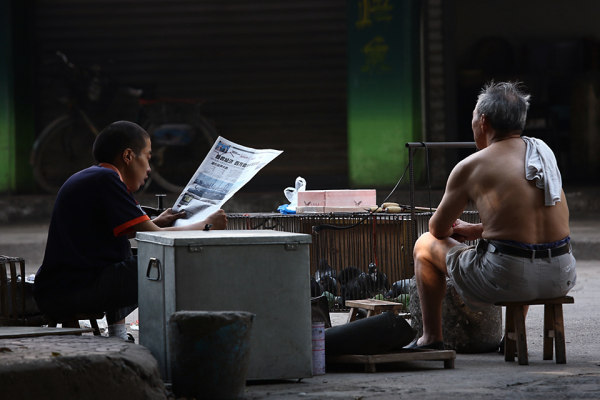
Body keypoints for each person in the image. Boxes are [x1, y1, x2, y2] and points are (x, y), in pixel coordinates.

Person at [407, 81, 576, 350]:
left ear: (483, 121)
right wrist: (476, 230)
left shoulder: (471, 166)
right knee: (521, 250)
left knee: (424, 244)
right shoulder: (543, 152)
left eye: (474, 117)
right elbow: (528, 223)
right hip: (562, 274)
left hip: (509, 278)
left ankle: (431, 338)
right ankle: (510, 341)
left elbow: (438, 229)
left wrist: (454, 230)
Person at [33, 121, 227, 341]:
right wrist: (206, 225)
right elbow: (156, 236)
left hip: (57, 290)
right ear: (128, 156)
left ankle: (118, 334)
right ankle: (172, 336)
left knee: (128, 255)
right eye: (147, 157)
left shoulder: (93, 177)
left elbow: (129, 231)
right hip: (71, 291)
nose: (149, 168)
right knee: (161, 262)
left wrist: (158, 222)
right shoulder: (107, 179)